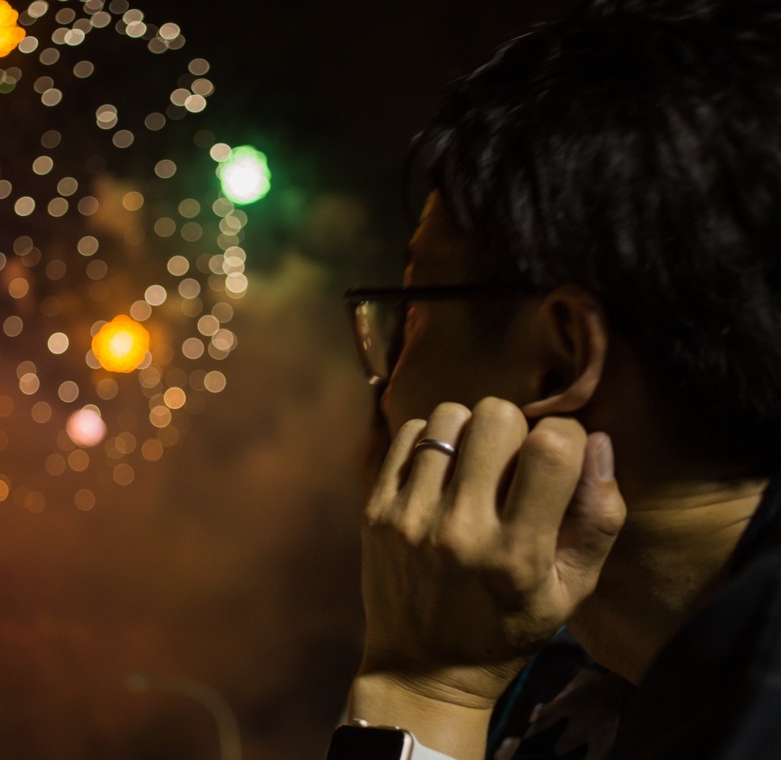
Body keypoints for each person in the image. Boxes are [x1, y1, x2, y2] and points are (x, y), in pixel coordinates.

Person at [334, 0, 781, 758]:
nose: (386, 388)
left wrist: (424, 688)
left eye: (412, 314)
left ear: (561, 358)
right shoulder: (579, 693)